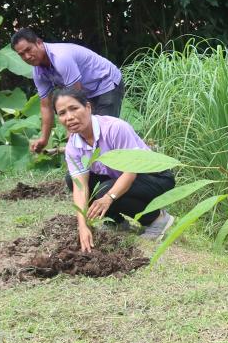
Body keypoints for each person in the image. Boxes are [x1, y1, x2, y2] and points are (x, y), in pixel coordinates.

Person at [54, 87, 175, 251]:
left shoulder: (114, 128)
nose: (69, 117)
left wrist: (108, 198)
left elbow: (132, 170)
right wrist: (83, 226)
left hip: (155, 177)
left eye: (74, 108)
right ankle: (117, 223)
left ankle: (157, 219)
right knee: (72, 179)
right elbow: (79, 187)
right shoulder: (73, 146)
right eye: (62, 113)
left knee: (106, 190)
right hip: (121, 180)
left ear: (88, 107)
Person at [11, 28, 125, 154]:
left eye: (28, 49)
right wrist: (43, 139)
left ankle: (118, 164)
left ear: (39, 43)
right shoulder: (38, 72)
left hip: (106, 82)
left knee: (103, 132)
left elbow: (75, 96)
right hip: (86, 91)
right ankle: (89, 168)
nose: (27, 56)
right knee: (86, 131)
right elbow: (45, 105)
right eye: (21, 54)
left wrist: (71, 131)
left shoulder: (61, 57)